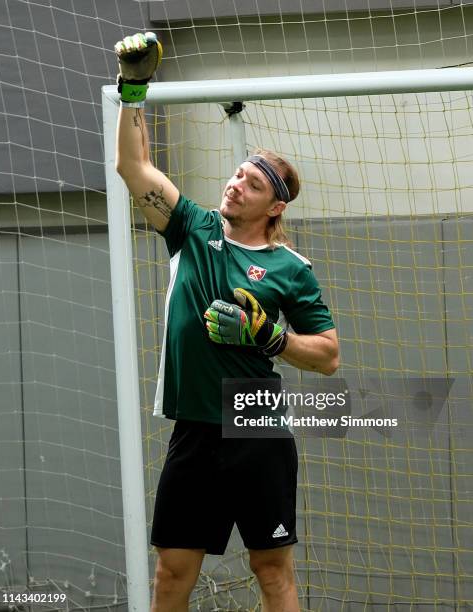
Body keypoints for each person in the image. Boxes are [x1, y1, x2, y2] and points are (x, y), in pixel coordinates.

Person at [114, 33, 339, 612]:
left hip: (256, 421)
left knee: (272, 572)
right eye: (238, 174)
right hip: (193, 423)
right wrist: (133, 92)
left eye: (253, 183)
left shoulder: (292, 269)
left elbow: (328, 354)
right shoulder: (191, 226)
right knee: (171, 572)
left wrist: (270, 337)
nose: (237, 183)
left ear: (276, 207)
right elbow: (133, 166)